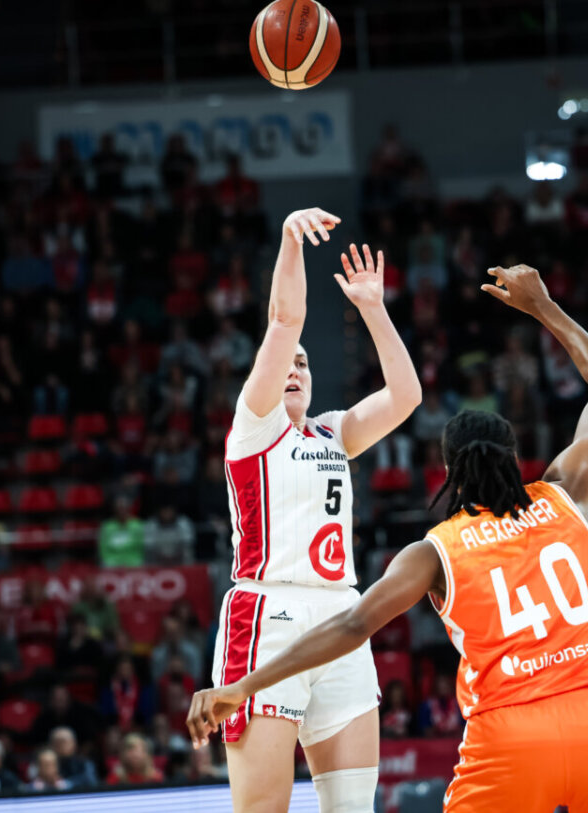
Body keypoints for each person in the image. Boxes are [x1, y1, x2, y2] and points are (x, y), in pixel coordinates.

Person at [189, 264, 588, 812]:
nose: (294, 368)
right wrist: (542, 307)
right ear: (515, 456)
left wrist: (244, 685)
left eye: (303, 361)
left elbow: (354, 623)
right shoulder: (566, 494)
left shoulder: (437, 549)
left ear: (449, 473)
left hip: (508, 732)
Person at [198, 207, 421, 811]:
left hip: (342, 616)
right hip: (267, 615)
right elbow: (285, 318)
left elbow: (405, 397)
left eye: (304, 363)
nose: (294, 368)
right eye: (285, 362)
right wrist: (291, 240)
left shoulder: (331, 433)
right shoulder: (254, 425)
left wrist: (373, 308)